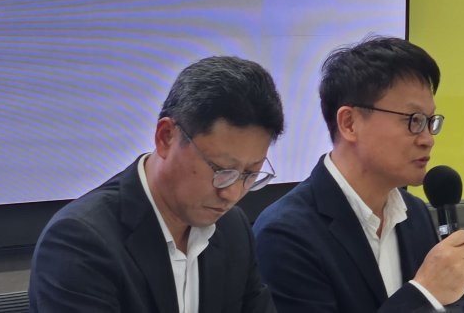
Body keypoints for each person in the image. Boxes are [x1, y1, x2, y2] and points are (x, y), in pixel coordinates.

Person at [28, 55, 283, 313]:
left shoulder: (232, 229)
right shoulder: (80, 242)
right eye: (221, 170)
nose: (232, 193)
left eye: (250, 174)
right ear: (166, 137)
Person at [253, 35, 464, 311]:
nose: (427, 139)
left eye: (430, 121)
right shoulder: (285, 233)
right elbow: (428, 295)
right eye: (414, 120)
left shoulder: (415, 213)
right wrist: (424, 294)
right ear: (349, 123)